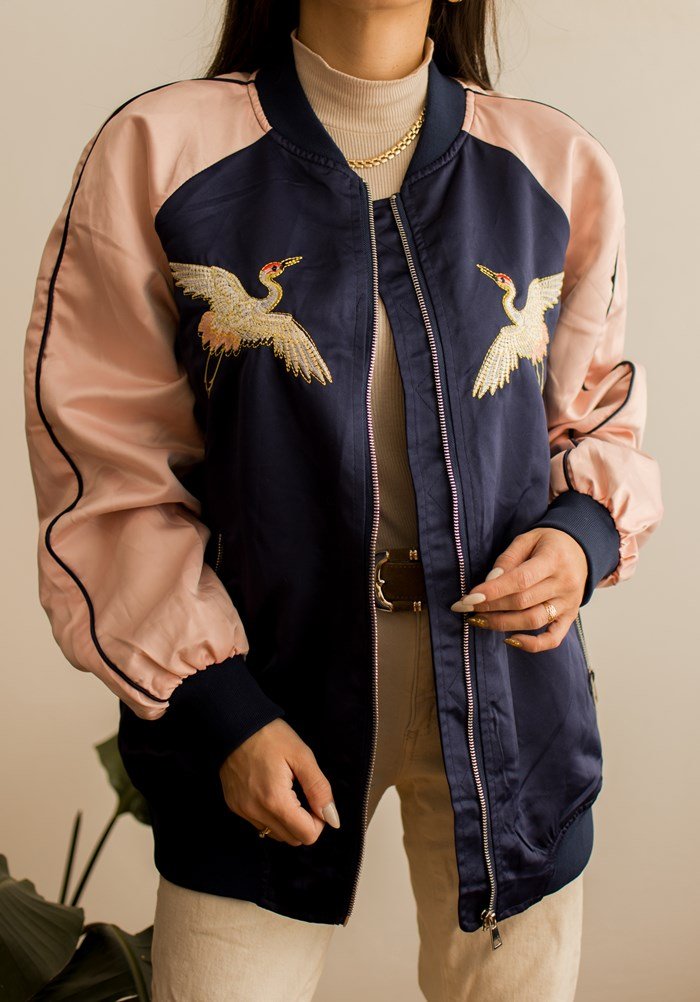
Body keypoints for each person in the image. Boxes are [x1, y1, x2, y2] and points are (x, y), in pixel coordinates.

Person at [22, 0, 663, 999]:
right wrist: (223, 710)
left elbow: (594, 420)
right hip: (265, 702)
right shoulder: (161, 150)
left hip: (509, 711)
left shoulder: (553, 165)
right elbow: (106, 467)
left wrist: (580, 538)